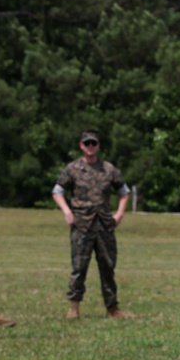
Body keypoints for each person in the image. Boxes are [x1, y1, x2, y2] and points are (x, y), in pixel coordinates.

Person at [52, 130, 131, 320]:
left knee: (108, 267)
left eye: (93, 143)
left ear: (98, 145)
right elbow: (57, 191)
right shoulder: (72, 169)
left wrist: (119, 214)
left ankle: (112, 309)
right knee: (79, 267)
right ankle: (74, 308)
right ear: (81, 145)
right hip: (82, 225)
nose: (90, 146)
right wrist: (67, 211)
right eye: (86, 143)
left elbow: (124, 191)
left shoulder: (109, 169)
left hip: (104, 225)